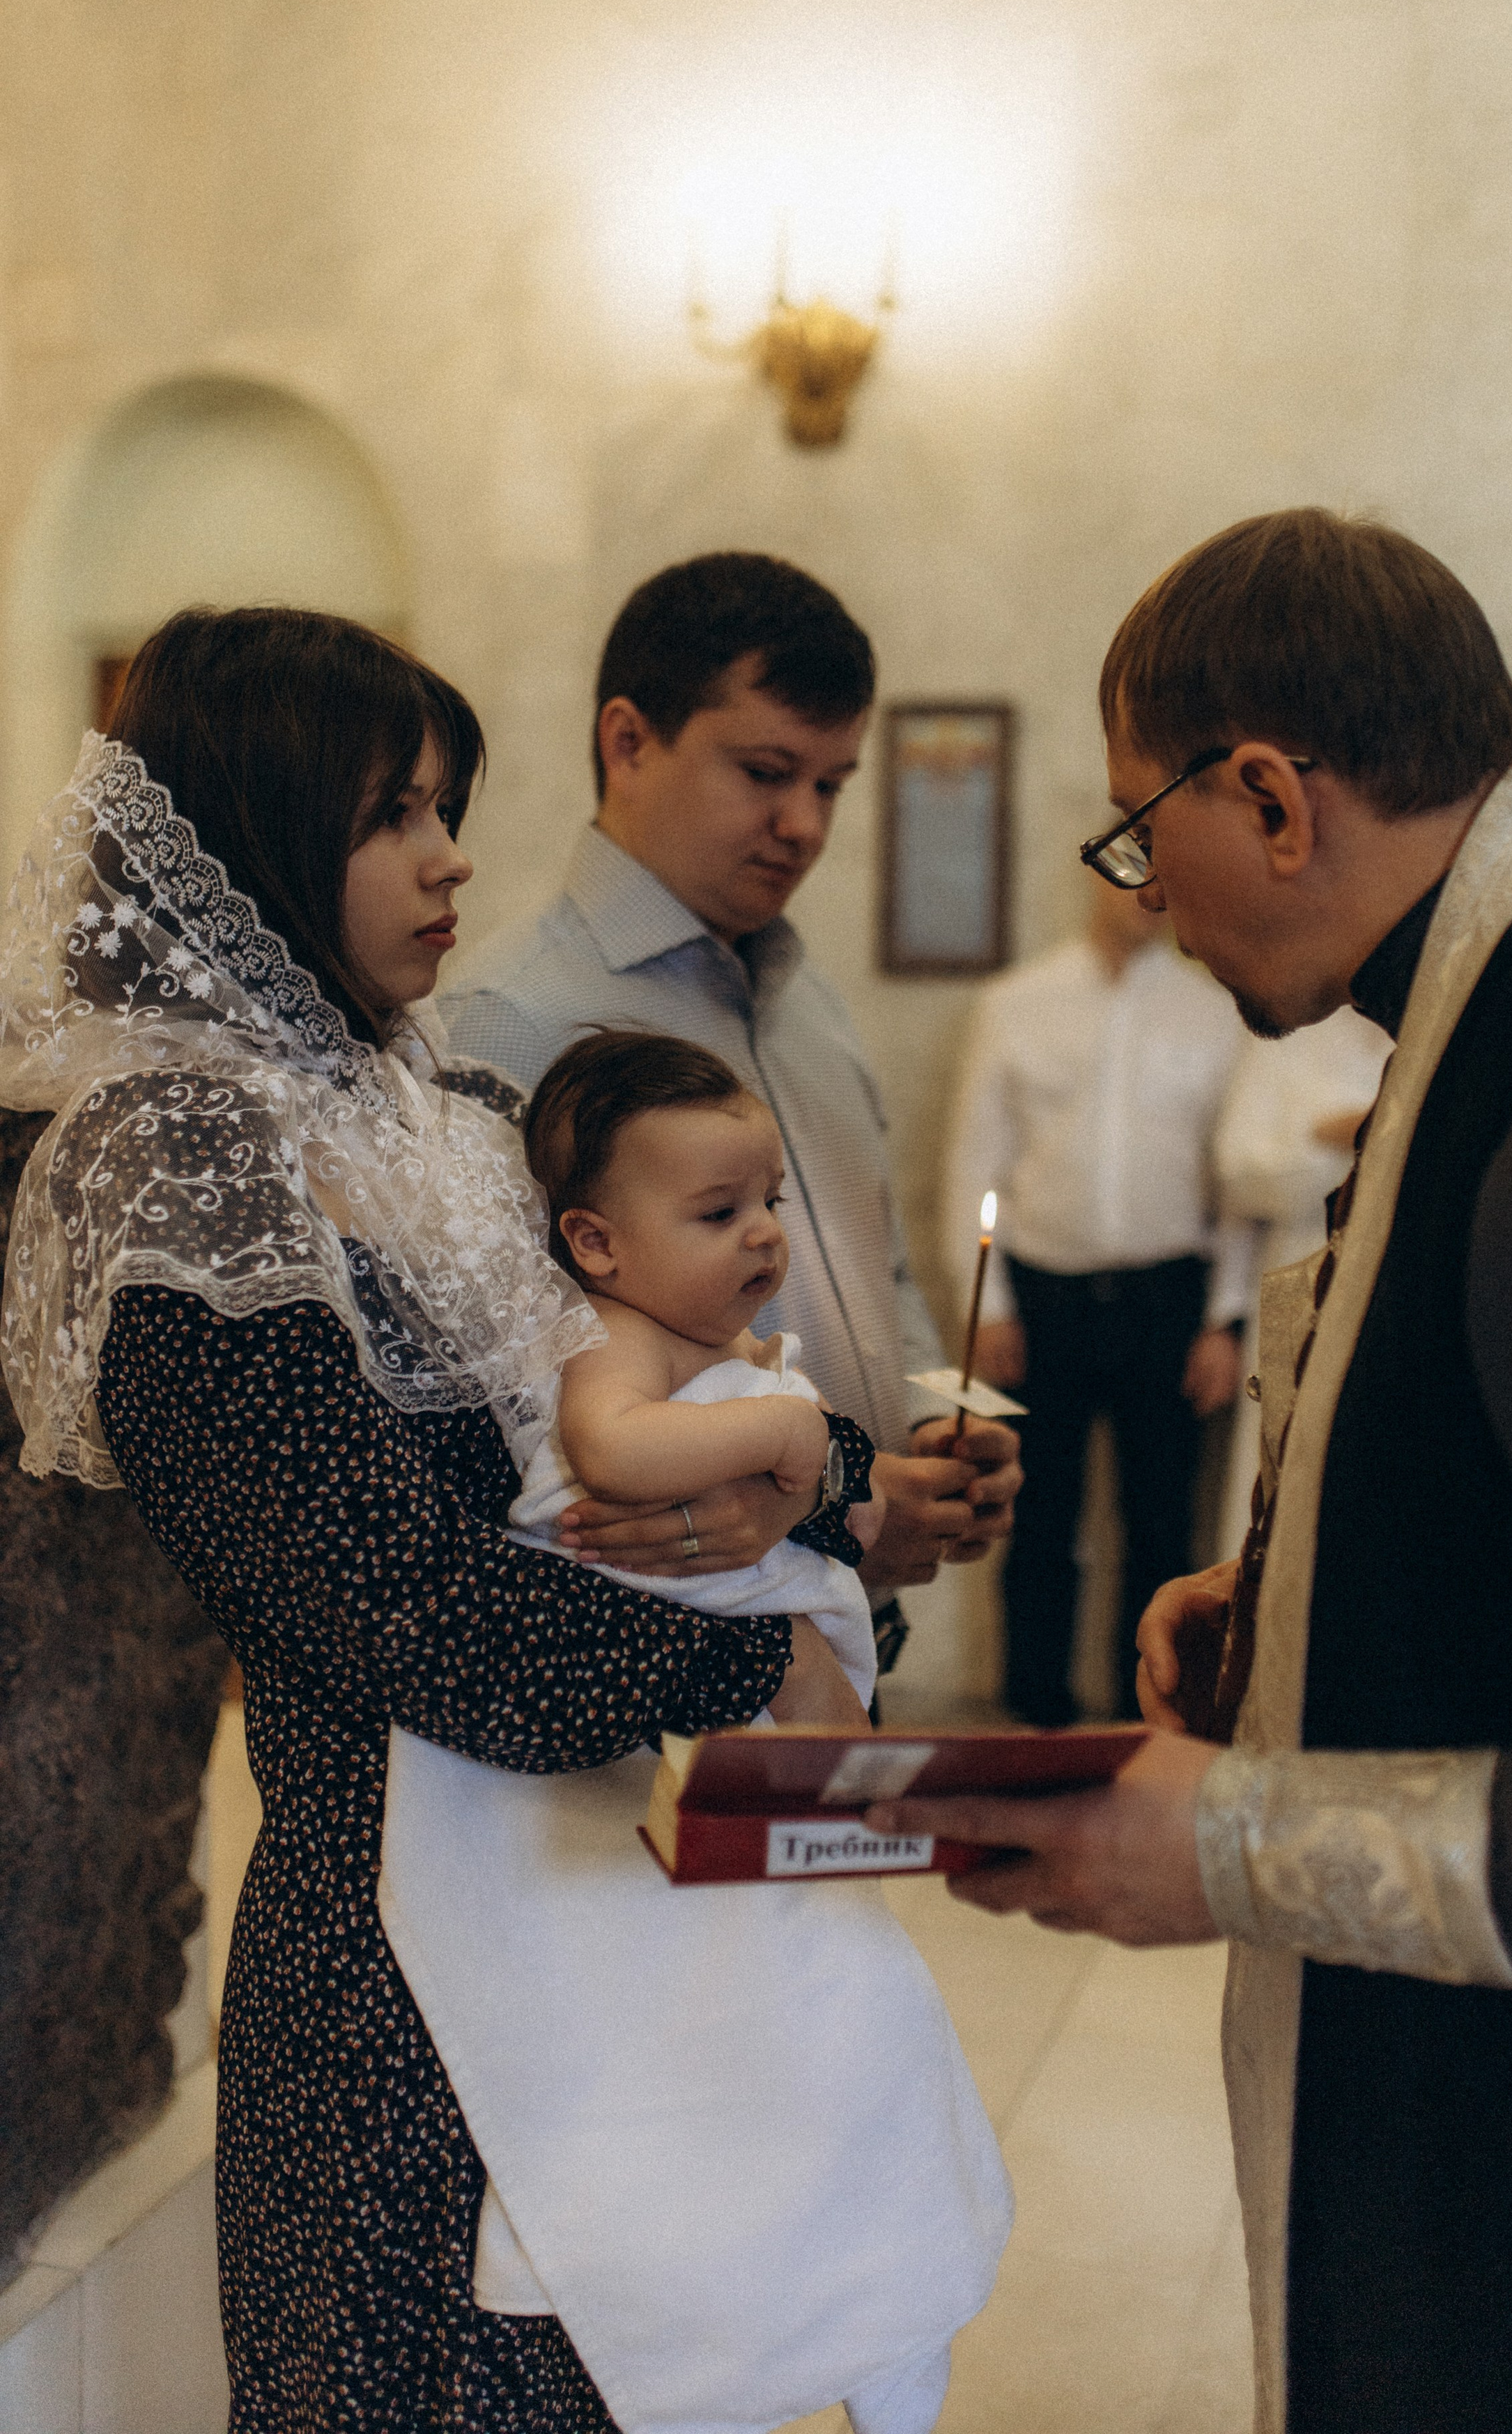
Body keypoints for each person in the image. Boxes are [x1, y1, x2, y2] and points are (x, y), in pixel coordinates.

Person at [867, 508, 1512, 2434]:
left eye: (1143, 830)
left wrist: (1222, 1839)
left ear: (1272, 799)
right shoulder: (1502, 975)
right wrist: (1308, 1611)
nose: (1148, 894)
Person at [0, 606, 881, 2430]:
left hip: (583, 1891)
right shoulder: (177, 1162)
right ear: (254, 830)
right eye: (393, 810)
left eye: (446, 803)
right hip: (388, 1975)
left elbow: (676, 1388)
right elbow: (393, 1605)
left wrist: (818, 1470)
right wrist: (748, 1647)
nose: (449, 852)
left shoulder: (457, 1115)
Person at [389, 1026, 1010, 2434]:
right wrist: (784, 1443)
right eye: (719, 1212)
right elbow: (609, 1455)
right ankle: (818, 2325)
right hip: (655, 1702)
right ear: (596, 1245)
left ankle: (877, 2306)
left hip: (763, 1675)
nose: (764, 1238)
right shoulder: (608, 1346)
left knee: (854, 2016)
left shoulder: (689, 1337)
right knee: (790, 2034)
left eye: (770, 1201)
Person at [439, 551, 1021, 1670]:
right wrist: (831, 1498)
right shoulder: (506, 1022)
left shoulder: (814, 1008)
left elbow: (880, 1270)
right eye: (766, 771)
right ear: (627, 740)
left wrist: (934, 1432)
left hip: (849, 1623)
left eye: (832, 784)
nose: (804, 823)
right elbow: (491, 1415)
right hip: (664, 1657)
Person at [943, 871, 1251, 1720]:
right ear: (1092, 875)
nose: (1150, 894)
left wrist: (1226, 1321)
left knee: (1161, 1525)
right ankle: (1033, 1712)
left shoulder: (1215, 1011)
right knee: (1038, 1516)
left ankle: (1144, 1715)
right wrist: (991, 1304)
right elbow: (975, 1161)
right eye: (1132, 875)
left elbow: (1230, 1184)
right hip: (1043, 1298)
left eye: (1166, 877)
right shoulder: (1015, 1002)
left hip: (1169, 1299)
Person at [1209, 1005, 1389, 1562]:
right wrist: (1365, 1139)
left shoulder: (1447, 1024)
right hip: (1298, 1285)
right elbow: (1239, 1175)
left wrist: (1341, 1136)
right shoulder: (1289, 1023)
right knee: (1279, 1476)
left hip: (1395, 1290)